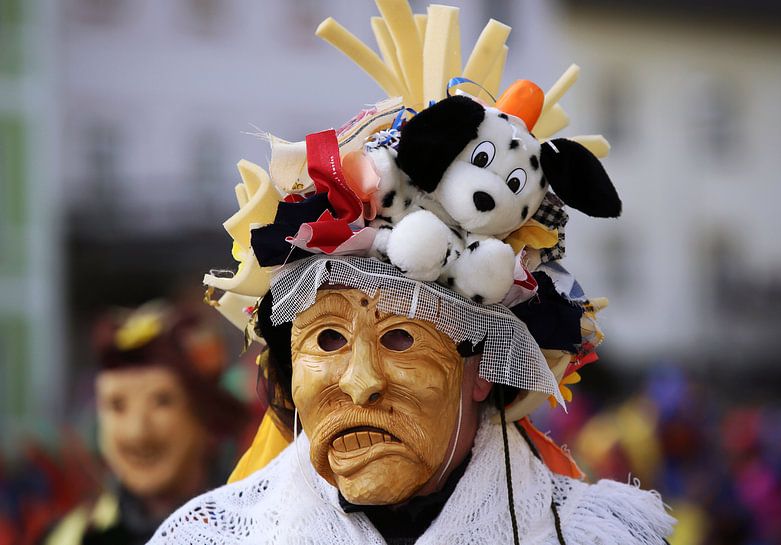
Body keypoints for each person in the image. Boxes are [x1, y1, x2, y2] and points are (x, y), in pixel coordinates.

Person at [148, 2, 676, 543]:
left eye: (401, 338)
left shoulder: (593, 535)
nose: (359, 384)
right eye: (326, 339)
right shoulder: (210, 536)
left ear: (482, 369)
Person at [43, 301, 247, 545]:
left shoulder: (259, 527)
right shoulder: (71, 537)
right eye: (116, 405)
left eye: (162, 402)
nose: (137, 432)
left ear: (208, 419)